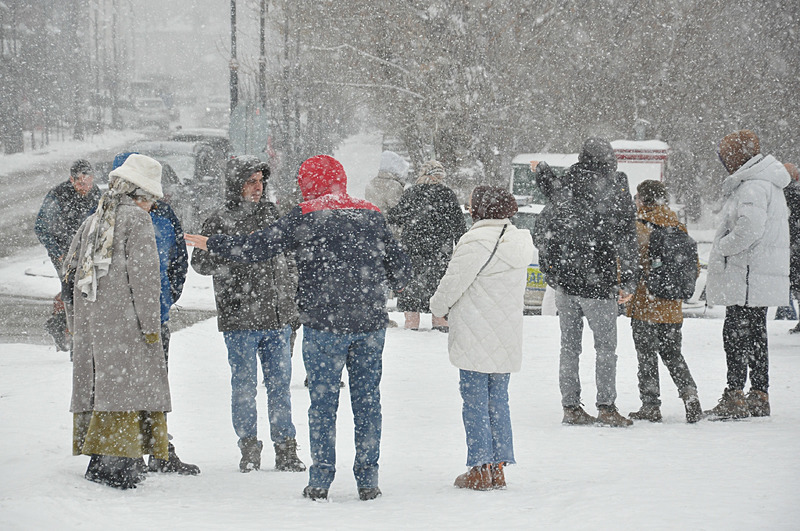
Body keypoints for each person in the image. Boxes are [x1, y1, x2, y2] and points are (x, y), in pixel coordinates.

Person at [185, 154, 411, 502]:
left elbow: (254, 248)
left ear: (307, 183)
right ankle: (368, 478)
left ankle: (321, 479)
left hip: (324, 326)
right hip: (369, 326)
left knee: (323, 404)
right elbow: (402, 270)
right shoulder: (372, 214)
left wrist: (211, 242)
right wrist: (375, 283)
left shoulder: (306, 215)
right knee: (368, 402)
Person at [191, 156, 305, 474]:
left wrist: (292, 299)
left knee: (279, 386)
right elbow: (200, 264)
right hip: (240, 317)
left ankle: (286, 449)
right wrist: (232, 258)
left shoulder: (273, 215)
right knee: (244, 386)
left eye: (260, 181)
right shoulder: (218, 220)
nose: (258, 187)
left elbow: (291, 258)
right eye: (251, 181)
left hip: (277, 317)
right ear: (236, 184)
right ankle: (249, 448)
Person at [63, 154, 170, 489]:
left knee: (103, 392)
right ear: (141, 194)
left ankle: (100, 459)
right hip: (127, 328)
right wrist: (151, 326)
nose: (152, 205)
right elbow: (146, 281)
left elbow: (70, 276)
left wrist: (76, 323)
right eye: (151, 198)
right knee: (125, 393)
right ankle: (119, 462)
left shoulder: (94, 219)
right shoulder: (137, 221)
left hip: (95, 329)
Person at [430, 186, 533, 491]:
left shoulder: (475, 241)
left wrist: (437, 306)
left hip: (476, 331)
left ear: (479, 209)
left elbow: (453, 283)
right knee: (499, 400)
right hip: (506, 333)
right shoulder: (520, 240)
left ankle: (479, 468)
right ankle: (498, 467)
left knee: (474, 401)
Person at [531, 137, 638, 427]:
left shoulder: (563, 185)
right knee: (605, 348)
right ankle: (606, 406)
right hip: (599, 283)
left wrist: (551, 270)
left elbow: (542, 230)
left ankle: (571, 407)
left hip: (565, 284)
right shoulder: (614, 188)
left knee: (569, 347)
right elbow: (627, 237)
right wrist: (628, 279)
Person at [110, 152, 199, 475]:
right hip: (122, 321)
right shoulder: (109, 218)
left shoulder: (164, 214)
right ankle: (127, 452)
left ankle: (161, 450)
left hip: (156, 317)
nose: (145, 199)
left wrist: (168, 295)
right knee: (124, 387)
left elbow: (178, 258)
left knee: (156, 386)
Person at [704, 130, 791, 420]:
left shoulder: (752, 186)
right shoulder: (767, 183)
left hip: (747, 274)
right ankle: (758, 394)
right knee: (755, 334)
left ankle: (735, 395)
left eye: (724, 154)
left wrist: (723, 247)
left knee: (735, 334)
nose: (722, 160)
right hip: (757, 273)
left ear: (735, 156)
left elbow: (749, 229)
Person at [625, 180, 702, 423]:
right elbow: (694, 268)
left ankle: (650, 405)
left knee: (646, 355)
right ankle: (690, 396)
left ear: (642, 200)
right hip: (671, 307)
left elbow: (629, 266)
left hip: (646, 304)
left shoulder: (639, 227)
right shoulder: (678, 225)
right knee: (672, 353)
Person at [386, 160, 466, 331]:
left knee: (412, 288)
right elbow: (459, 225)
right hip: (439, 252)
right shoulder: (447, 194)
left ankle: (412, 324)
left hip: (412, 250)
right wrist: (461, 245)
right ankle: (439, 322)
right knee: (438, 286)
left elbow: (395, 217)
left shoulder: (411, 193)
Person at [35, 159, 101, 352]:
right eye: (81, 183)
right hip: (64, 255)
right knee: (72, 292)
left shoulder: (96, 193)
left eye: (88, 183)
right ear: (71, 180)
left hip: (88, 253)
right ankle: (66, 333)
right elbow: (40, 227)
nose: (85, 188)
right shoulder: (57, 196)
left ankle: (80, 334)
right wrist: (58, 254)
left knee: (89, 291)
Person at [782, 163, 800, 333]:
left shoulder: (785, 193)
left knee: (794, 286)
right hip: (794, 247)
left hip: (790, 247)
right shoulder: (795, 192)